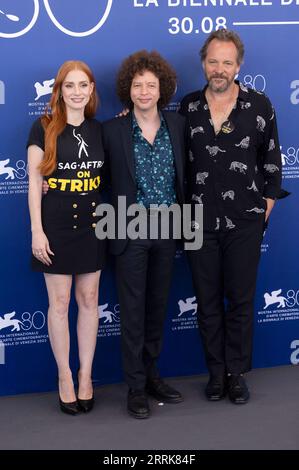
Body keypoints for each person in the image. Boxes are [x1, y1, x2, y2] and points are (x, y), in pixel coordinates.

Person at [179, 29, 282, 404]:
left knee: (239, 300)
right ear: (203, 64)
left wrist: (262, 211)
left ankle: (236, 374)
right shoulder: (187, 108)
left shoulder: (259, 105)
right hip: (197, 223)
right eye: (213, 61)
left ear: (239, 65)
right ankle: (216, 373)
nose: (219, 69)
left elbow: (272, 165)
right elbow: (158, 140)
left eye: (227, 62)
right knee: (206, 302)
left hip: (245, 223)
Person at [102, 50, 186, 418]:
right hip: (129, 229)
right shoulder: (113, 129)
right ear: (128, 90)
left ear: (162, 88)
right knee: (133, 312)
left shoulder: (178, 126)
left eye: (151, 85)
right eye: (138, 85)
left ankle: (152, 375)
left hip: (169, 227)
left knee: (156, 307)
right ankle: (135, 387)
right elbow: (93, 177)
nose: (144, 91)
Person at [27, 60, 106, 415]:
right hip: (54, 228)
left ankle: (86, 376)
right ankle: (65, 378)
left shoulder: (100, 131)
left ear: (91, 90)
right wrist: (37, 231)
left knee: (89, 300)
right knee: (59, 305)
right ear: (59, 91)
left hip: (92, 227)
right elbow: (32, 183)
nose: (77, 92)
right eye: (69, 85)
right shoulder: (42, 127)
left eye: (83, 85)